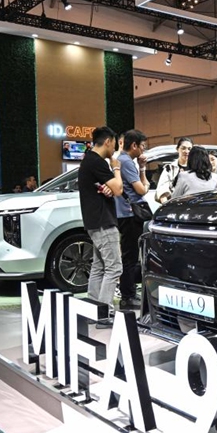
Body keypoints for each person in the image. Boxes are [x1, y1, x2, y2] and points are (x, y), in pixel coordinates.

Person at [78, 127, 123, 327]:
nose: (114, 149)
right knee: (114, 267)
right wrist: (116, 168)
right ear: (108, 141)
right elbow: (119, 189)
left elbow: (110, 189)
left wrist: (108, 188)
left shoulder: (88, 160)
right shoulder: (97, 162)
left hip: (94, 221)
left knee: (99, 267)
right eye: (114, 144)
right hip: (103, 222)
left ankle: (93, 311)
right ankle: (104, 315)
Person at [114, 129, 150, 311]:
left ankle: (128, 294)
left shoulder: (124, 160)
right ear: (134, 145)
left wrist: (142, 168)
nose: (143, 150)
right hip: (129, 215)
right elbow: (142, 190)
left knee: (129, 255)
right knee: (130, 257)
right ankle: (127, 296)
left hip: (126, 214)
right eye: (142, 146)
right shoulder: (126, 162)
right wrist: (145, 183)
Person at [156, 137, 192, 204]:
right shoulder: (169, 168)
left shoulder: (195, 168)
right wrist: (167, 206)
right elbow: (162, 190)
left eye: (189, 149)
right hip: (174, 204)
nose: (186, 151)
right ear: (177, 149)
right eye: (183, 148)